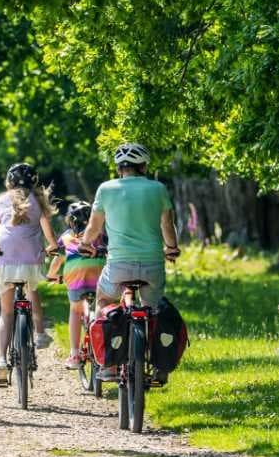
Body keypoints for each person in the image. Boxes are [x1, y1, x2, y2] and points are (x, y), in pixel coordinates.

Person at [81, 143, 181, 367]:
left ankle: (108, 364)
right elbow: (167, 223)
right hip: (152, 263)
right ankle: (159, 367)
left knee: (104, 299)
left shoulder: (106, 189)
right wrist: (172, 248)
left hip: (118, 265)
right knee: (154, 310)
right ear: (143, 166)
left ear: (119, 168)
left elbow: (94, 226)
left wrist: (85, 244)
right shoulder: (158, 189)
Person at [0, 162, 56, 387]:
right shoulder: (38, 202)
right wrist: (53, 245)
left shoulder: (1, 200)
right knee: (32, 290)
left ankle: (1, 360)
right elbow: (48, 232)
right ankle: (39, 333)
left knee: (6, 313)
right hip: (31, 259)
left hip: (5, 259)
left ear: (9, 182)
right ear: (34, 182)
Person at [46, 200, 105, 368]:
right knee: (102, 308)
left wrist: (51, 276)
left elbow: (57, 260)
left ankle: (74, 354)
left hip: (76, 280)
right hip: (98, 279)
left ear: (70, 220)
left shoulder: (65, 237)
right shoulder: (99, 235)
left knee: (75, 310)